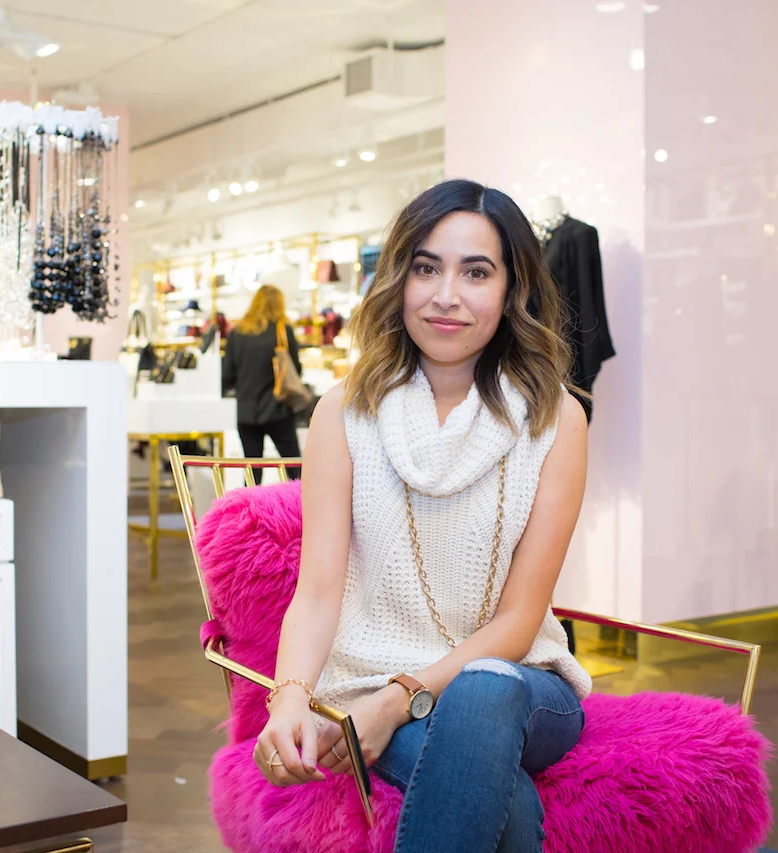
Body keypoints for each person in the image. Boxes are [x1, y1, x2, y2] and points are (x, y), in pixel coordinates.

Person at [254, 179, 592, 853]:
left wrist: (395, 701)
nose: (446, 295)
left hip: (524, 684)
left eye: (477, 272)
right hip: (366, 679)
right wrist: (289, 696)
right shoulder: (343, 411)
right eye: (426, 268)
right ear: (398, 279)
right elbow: (317, 590)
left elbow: (520, 621)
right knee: (507, 805)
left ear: (512, 289)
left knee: (484, 691)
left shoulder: (556, 417)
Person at [221, 285, 304, 481]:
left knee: (252, 472)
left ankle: (250, 503)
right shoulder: (282, 331)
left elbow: (227, 375)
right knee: (294, 469)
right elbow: (296, 370)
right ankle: (297, 502)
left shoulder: (237, 333)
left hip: (246, 411)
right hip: (278, 408)